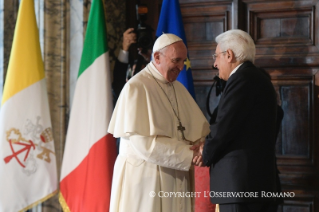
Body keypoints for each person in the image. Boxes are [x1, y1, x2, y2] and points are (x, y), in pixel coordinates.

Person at [108, 33, 210, 212]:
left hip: (176, 175)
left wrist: (200, 145)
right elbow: (145, 145)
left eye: (183, 61)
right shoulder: (136, 87)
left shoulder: (178, 88)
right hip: (146, 179)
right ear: (157, 57)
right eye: (176, 60)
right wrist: (191, 154)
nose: (180, 67)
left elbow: (196, 130)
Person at [193, 29, 279, 212]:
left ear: (229, 55)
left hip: (240, 186)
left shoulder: (242, 79)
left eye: (216, 56)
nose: (215, 63)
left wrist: (205, 152)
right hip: (254, 183)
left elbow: (225, 125)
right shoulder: (258, 79)